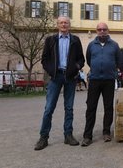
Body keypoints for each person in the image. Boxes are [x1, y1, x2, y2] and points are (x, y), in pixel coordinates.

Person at [34, 16, 85, 150]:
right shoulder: (50, 40)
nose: (64, 25)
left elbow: (81, 59)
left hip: (70, 78)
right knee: (49, 108)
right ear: (57, 25)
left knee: (69, 108)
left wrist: (76, 68)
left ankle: (68, 135)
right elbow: (44, 59)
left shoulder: (75, 40)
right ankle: (43, 137)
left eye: (66, 23)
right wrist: (52, 71)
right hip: (55, 77)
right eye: (61, 23)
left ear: (69, 25)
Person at [81, 22, 121, 146]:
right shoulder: (91, 45)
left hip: (109, 80)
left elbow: (118, 60)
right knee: (91, 108)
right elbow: (88, 60)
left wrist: (112, 72)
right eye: (99, 29)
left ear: (108, 30)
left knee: (108, 107)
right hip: (94, 80)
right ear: (96, 31)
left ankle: (106, 132)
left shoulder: (114, 45)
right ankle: (87, 136)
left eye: (104, 29)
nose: (102, 31)